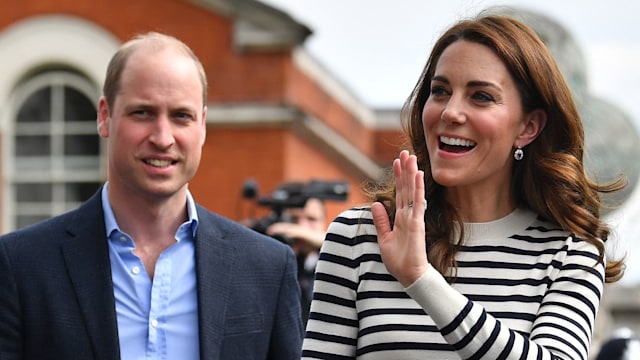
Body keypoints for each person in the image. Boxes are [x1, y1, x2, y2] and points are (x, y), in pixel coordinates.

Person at [302, 12, 625, 360]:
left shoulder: (570, 253)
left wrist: (422, 281)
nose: (450, 112)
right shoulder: (358, 236)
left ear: (528, 127)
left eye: (481, 96)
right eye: (440, 91)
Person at [0, 32, 303, 360]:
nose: (162, 137)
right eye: (143, 113)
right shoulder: (21, 265)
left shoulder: (268, 268)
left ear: (202, 125)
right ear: (105, 116)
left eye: (181, 116)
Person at [266, 197, 326, 325]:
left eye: (311, 219)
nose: (302, 225)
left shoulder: (329, 258)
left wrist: (297, 232)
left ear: (324, 223)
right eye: (295, 219)